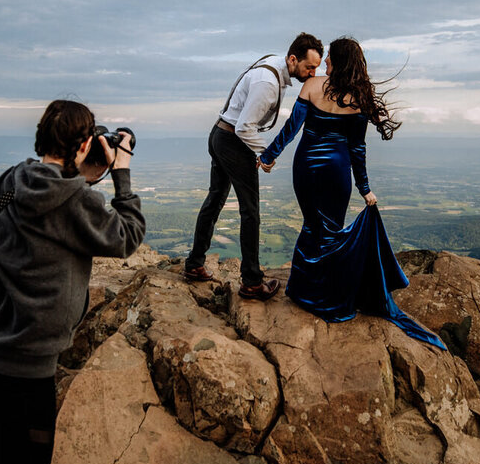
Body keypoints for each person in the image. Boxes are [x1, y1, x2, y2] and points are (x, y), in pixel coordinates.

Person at [0, 100, 145, 464]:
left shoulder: (13, 180)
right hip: (25, 376)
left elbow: (6, 213)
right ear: (83, 146)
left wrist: (80, 179)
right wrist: (121, 171)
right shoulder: (75, 203)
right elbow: (128, 236)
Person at [259, 37, 447, 349]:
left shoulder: (312, 87)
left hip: (306, 168)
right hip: (337, 172)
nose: (325, 62)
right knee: (330, 229)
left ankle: (309, 294)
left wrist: (268, 155)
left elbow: (291, 129)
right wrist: (365, 188)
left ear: (340, 61)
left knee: (312, 226)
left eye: (330, 57)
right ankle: (331, 299)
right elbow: (357, 149)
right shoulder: (358, 98)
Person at [184, 32, 323, 299]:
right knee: (250, 211)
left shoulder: (274, 65)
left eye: (316, 67)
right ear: (293, 59)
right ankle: (251, 281)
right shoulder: (268, 83)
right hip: (233, 141)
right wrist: (265, 153)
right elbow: (244, 126)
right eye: (309, 67)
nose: (312, 73)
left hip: (219, 135)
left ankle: (194, 264)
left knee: (214, 200)